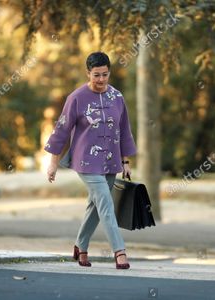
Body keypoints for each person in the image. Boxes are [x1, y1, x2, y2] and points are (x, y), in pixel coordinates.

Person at [44, 51, 137, 269]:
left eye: (105, 74)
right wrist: (53, 163)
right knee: (105, 202)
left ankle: (80, 246)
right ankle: (119, 251)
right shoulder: (76, 98)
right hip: (85, 160)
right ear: (88, 73)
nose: (101, 80)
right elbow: (62, 130)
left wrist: (125, 161)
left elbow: (124, 130)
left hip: (111, 161)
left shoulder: (117, 97)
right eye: (96, 75)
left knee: (95, 206)